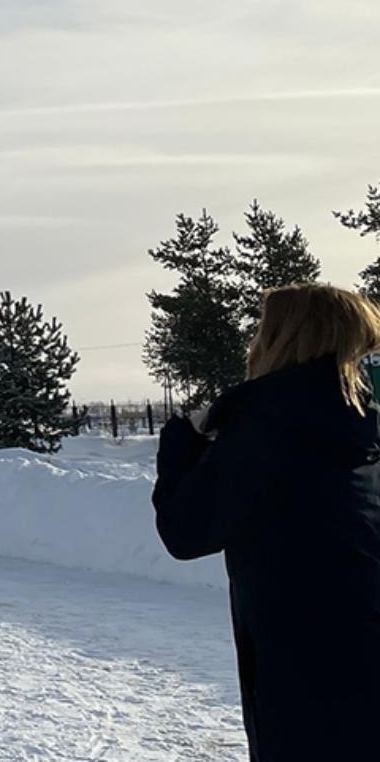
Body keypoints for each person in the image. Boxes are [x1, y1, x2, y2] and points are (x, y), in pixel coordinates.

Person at [154, 283, 380, 762]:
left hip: (301, 662)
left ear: (277, 339)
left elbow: (187, 531)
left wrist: (182, 443)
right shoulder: (361, 425)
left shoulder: (264, 426)